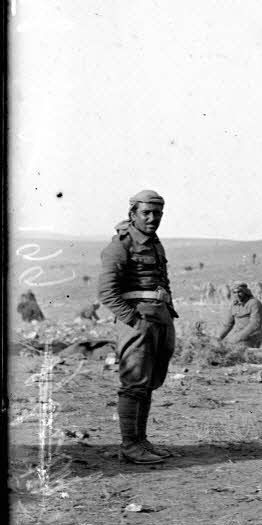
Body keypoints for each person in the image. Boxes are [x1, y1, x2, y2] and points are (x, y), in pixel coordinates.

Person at [98, 189, 178, 464]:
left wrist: (167, 313)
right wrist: (134, 321)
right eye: (146, 213)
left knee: (148, 382)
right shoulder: (120, 245)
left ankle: (141, 441)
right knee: (134, 383)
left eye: (157, 213)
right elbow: (107, 292)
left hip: (160, 318)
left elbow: (162, 280)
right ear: (133, 214)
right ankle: (130, 446)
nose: (152, 218)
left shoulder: (155, 243)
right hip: (138, 321)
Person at [216, 282, 262, 347]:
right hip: (238, 336)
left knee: (236, 350)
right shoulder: (234, 305)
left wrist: (237, 338)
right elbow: (228, 324)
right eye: (234, 292)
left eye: (239, 292)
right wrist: (218, 338)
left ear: (245, 292)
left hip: (252, 337)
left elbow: (255, 324)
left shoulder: (254, 303)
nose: (237, 294)